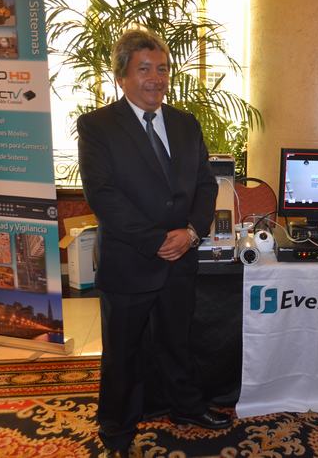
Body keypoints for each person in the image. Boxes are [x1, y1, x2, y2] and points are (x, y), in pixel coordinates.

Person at [78, 28, 230, 457]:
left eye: (162, 69)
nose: (156, 78)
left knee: (178, 341)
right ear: (121, 76)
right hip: (130, 261)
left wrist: (192, 233)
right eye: (144, 69)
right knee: (123, 352)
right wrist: (156, 241)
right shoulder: (97, 126)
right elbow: (102, 194)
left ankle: (186, 407)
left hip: (181, 257)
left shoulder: (185, 124)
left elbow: (206, 184)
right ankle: (117, 429)